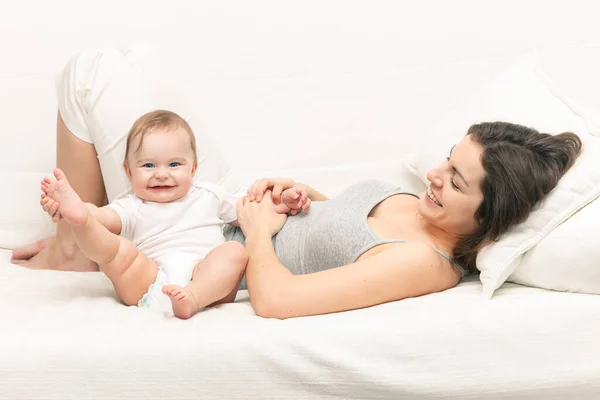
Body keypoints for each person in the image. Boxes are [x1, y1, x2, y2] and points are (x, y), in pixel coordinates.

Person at [12, 46, 583, 319]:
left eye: (455, 180)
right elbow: (337, 226)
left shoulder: (424, 263)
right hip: (213, 204)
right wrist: (296, 194)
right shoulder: (424, 205)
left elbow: (279, 299)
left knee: (91, 78)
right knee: (95, 68)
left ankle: (75, 244)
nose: (433, 176)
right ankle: (73, 242)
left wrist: (259, 235)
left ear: (487, 219)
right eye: (446, 160)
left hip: (208, 248)